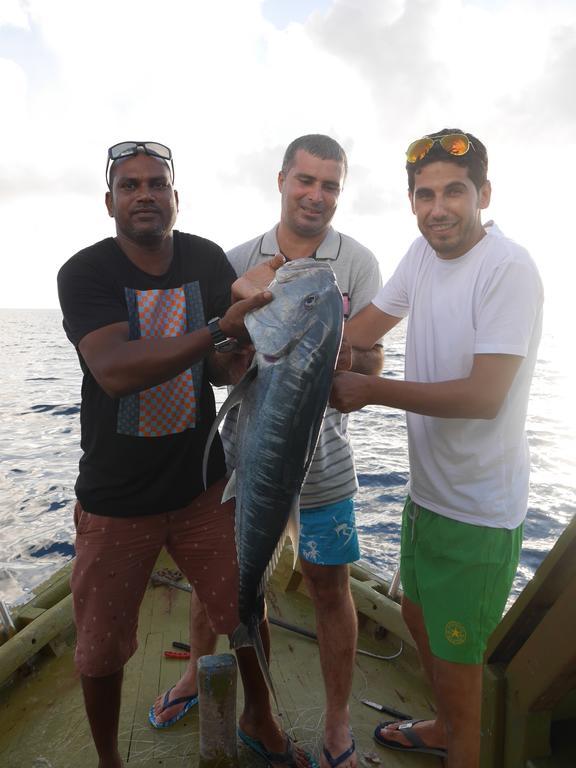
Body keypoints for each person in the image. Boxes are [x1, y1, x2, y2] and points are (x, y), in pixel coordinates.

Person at [57, 141, 315, 768]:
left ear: (176, 196)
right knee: (100, 647)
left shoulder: (201, 258)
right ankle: (109, 761)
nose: (144, 194)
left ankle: (261, 718)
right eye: (130, 185)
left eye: (156, 184)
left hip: (203, 487)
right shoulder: (85, 273)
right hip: (117, 499)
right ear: (110, 200)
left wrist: (252, 351)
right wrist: (221, 328)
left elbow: (219, 368)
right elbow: (115, 370)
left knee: (245, 607)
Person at [152, 135, 384, 768]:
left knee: (330, 587)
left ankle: (336, 723)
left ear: (340, 191)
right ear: (282, 180)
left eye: (330, 185)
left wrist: (354, 358)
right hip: (241, 455)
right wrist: (240, 354)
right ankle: (200, 674)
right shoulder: (236, 258)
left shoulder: (358, 262)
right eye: (305, 181)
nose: (316, 195)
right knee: (214, 581)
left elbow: (374, 360)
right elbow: (218, 368)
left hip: (326, 462)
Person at [330, 129, 543, 768]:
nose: (437, 208)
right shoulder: (422, 257)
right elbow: (361, 329)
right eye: (424, 195)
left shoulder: (508, 267)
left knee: (459, 665)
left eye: (454, 191)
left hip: (477, 512)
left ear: (483, 193)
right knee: (418, 620)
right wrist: (283, 331)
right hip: (427, 496)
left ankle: (462, 742)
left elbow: (484, 396)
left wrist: (370, 388)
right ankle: (447, 730)